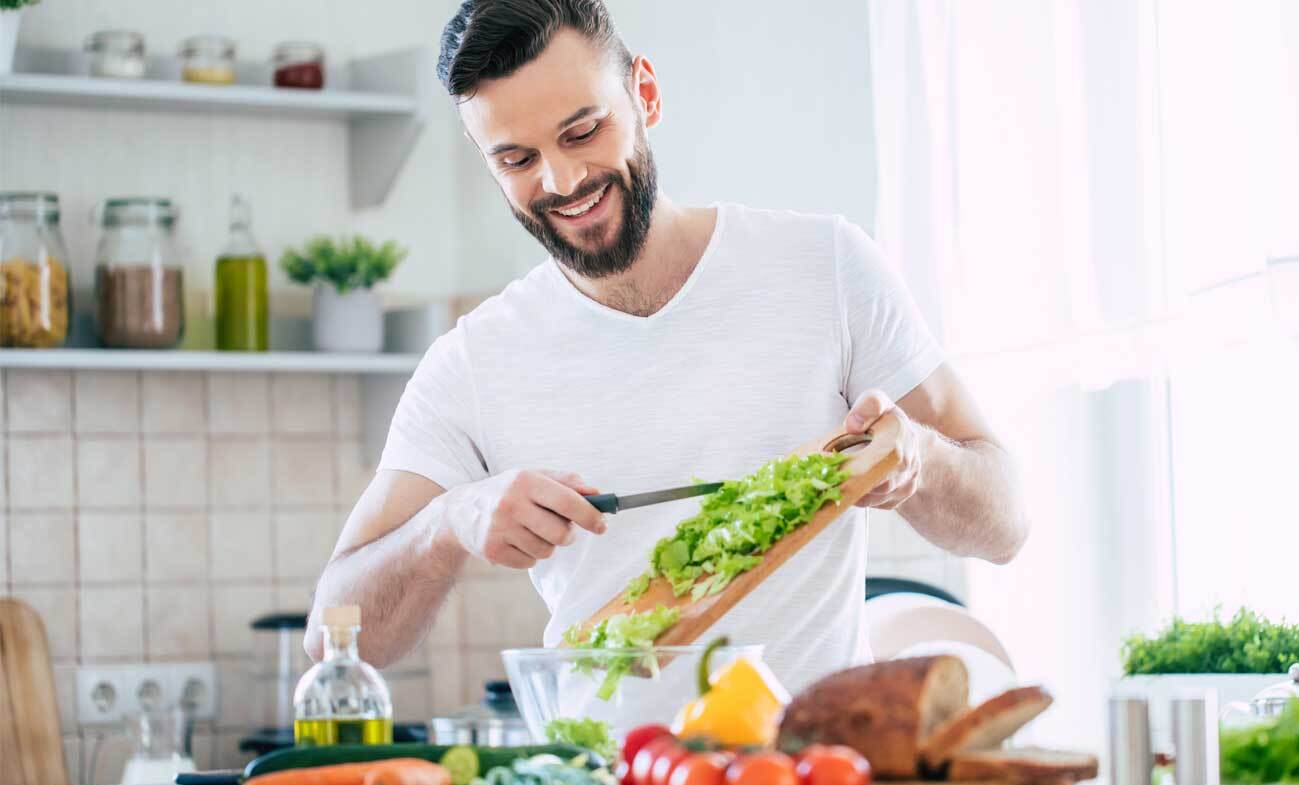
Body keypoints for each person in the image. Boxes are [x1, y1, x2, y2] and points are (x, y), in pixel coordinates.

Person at [306, 0, 1029, 691]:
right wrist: (445, 523)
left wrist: (919, 462)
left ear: (644, 94)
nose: (561, 181)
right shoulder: (473, 362)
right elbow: (331, 636)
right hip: (602, 779)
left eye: (582, 130)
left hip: (812, 776)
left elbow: (1005, 523)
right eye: (517, 159)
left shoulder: (826, 268)